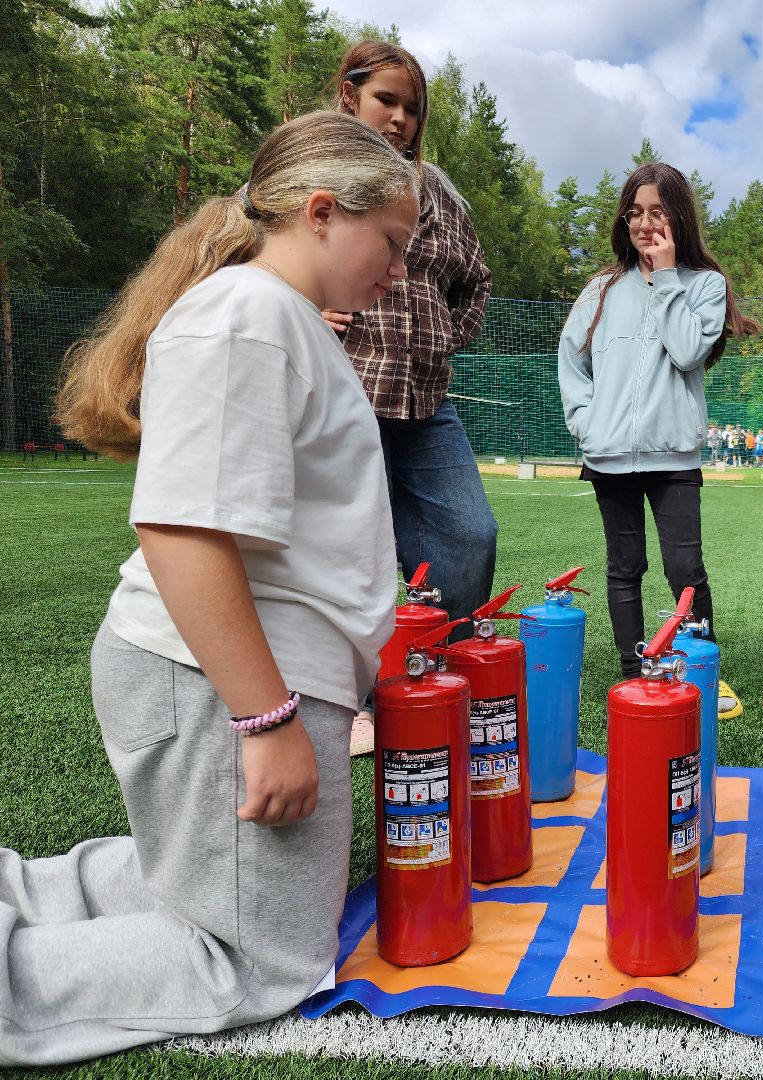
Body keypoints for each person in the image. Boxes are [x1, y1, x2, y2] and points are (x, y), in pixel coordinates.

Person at [10, 112, 416, 1066]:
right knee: (258, 958)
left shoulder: (275, 317)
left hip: (223, 677)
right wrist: (266, 720)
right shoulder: (249, 316)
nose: (399, 271)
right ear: (323, 212)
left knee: (198, 880)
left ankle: (24, 897)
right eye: (393, 243)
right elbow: (182, 532)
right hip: (219, 681)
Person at [326, 41, 498, 754]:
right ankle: (348, 700)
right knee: (348, 552)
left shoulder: (438, 192)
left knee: (469, 535)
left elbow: (476, 278)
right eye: (385, 101)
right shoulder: (313, 170)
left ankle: (441, 679)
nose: (399, 118)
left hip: (427, 399)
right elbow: (254, 252)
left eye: (412, 108)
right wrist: (305, 310)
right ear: (349, 95)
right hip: (341, 390)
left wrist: (442, 336)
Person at [557, 162, 758, 681]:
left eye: (658, 212)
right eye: (636, 213)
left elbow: (688, 351)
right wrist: (585, 423)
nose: (645, 224)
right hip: (608, 455)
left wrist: (667, 276)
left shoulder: (705, 285)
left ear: (679, 218)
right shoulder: (601, 288)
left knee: (685, 570)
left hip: (673, 456)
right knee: (624, 568)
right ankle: (634, 674)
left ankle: (699, 671)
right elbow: (571, 360)